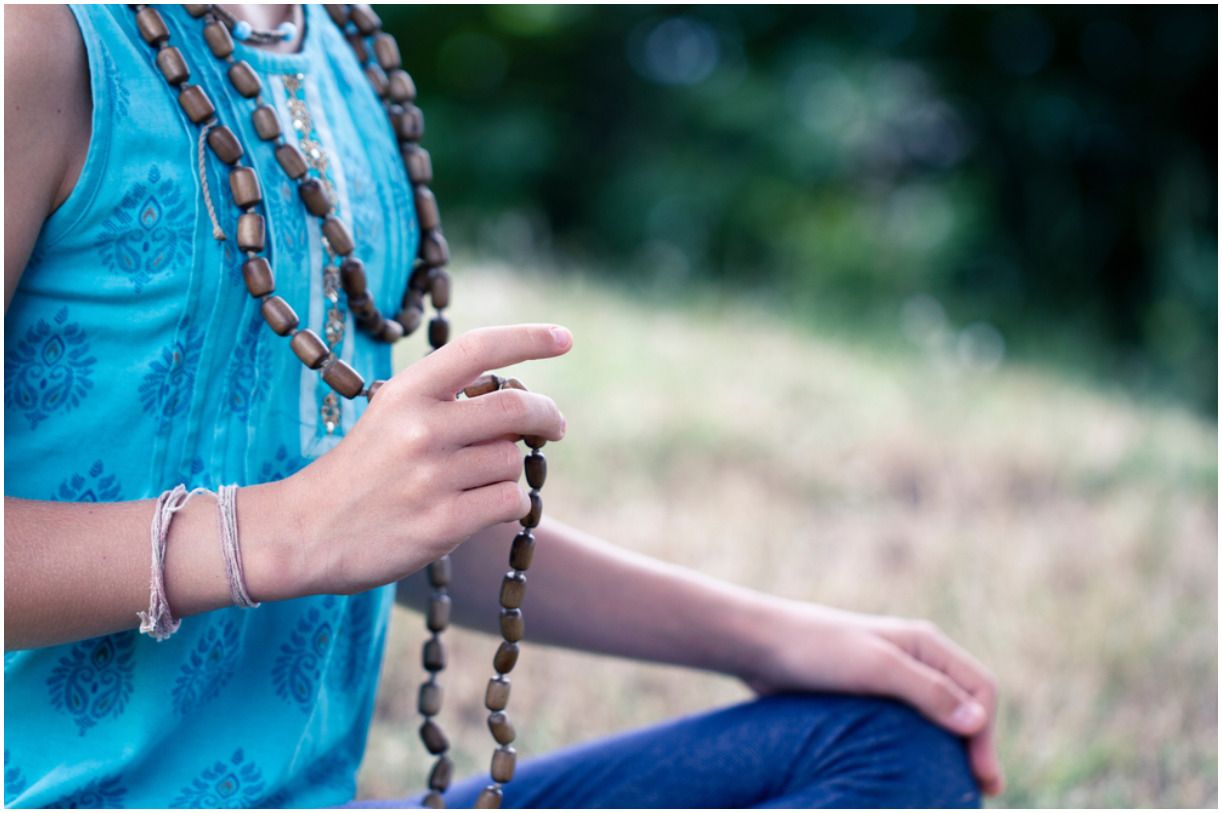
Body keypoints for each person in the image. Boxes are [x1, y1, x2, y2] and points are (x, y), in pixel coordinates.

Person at [3, 4, 1002, 808]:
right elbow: (311, 526)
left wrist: (769, 637)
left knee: (890, 748)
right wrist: (277, 533)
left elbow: (367, 521)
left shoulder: (341, 40)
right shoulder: (38, 39)